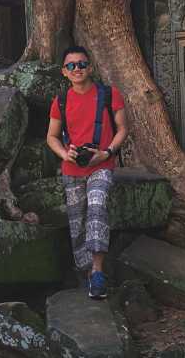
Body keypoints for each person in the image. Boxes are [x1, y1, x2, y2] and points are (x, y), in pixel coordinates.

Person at [47, 46, 127, 300]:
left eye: (82, 64)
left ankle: (97, 271)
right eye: (71, 65)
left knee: (97, 206)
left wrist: (107, 152)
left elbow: (123, 129)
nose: (77, 69)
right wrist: (64, 153)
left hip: (101, 165)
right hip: (72, 169)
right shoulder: (60, 100)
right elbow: (51, 137)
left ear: (90, 67)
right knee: (76, 222)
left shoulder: (108, 94)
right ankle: (86, 274)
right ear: (64, 72)